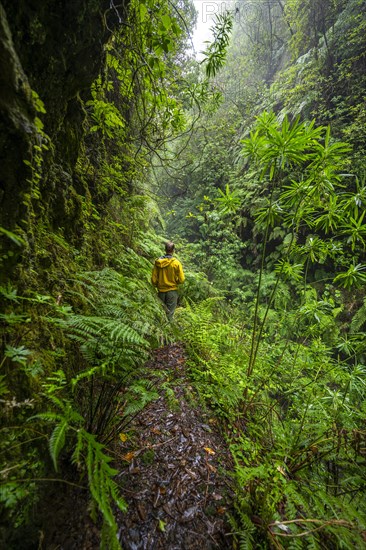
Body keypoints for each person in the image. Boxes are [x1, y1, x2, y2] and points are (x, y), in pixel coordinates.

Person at [151, 241, 185, 320]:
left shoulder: (158, 262)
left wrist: (158, 284)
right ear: (173, 250)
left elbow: (153, 279)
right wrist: (176, 281)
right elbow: (182, 279)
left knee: (160, 314)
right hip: (172, 292)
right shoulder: (176, 263)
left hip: (161, 292)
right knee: (169, 315)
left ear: (165, 250)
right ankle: (168, 331)